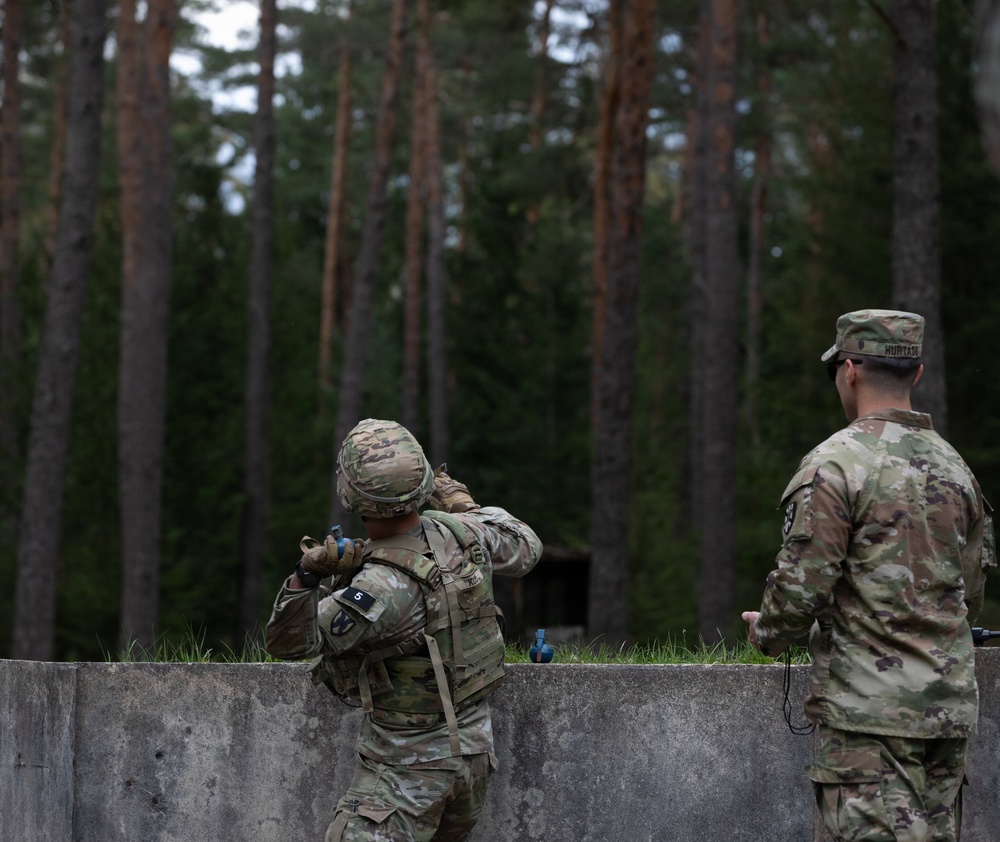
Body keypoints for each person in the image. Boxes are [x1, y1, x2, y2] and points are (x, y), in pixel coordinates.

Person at [741, 309, 995, 842]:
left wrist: (768, 631)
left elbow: (801, 587)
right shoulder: (956, 469)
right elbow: (969, 593)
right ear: (917, 374)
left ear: (850, 369)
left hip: (868, 719)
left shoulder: (835, 464)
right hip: (946, 717)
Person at [265, 418, 542, 842]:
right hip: (471, 764)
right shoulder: (466, 535)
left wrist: (307, 573)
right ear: (427, 482)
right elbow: (524, 546)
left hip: (402, 783)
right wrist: (460, 504)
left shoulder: (378, 587)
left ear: (351, 497)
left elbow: (289, 644)